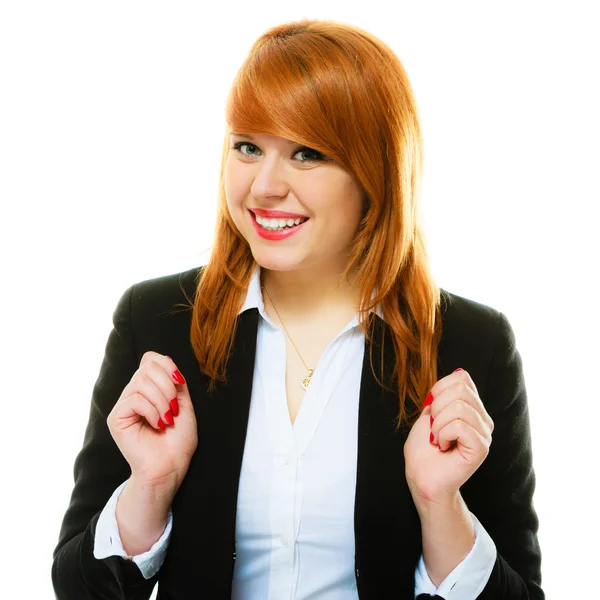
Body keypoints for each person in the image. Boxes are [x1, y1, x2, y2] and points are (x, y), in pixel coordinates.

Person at [51, 18, 544, 600]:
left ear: (376, 172)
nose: (263, 186)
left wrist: (442, 508)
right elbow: (78, 589)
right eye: (248, 146)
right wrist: (150, 488)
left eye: (306, 153)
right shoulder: (157, 321)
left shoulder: (469, 344)